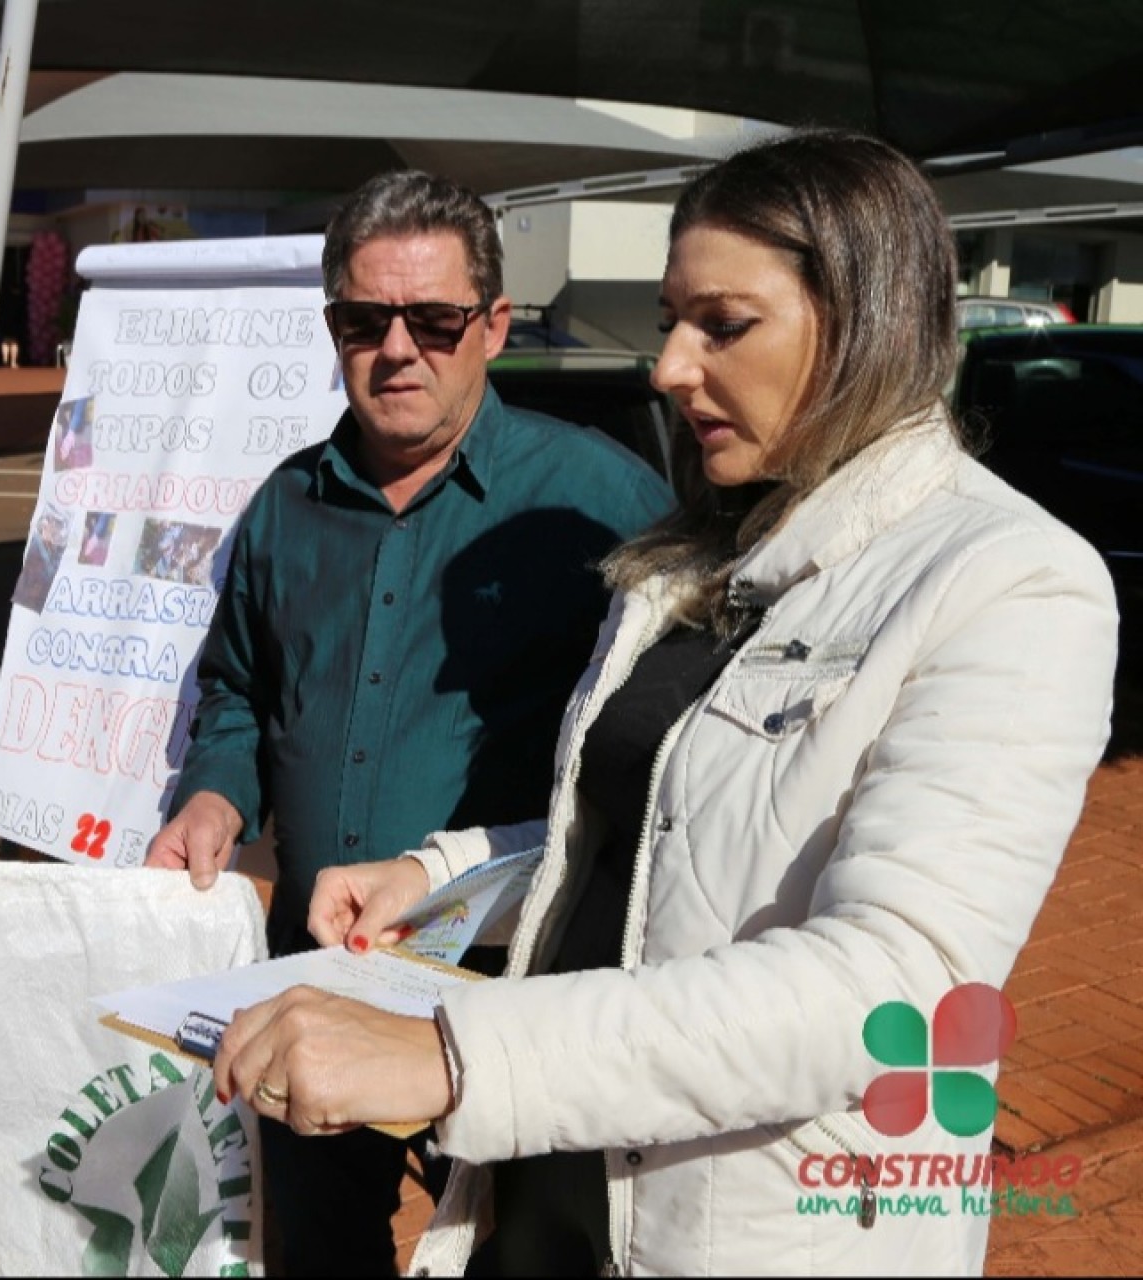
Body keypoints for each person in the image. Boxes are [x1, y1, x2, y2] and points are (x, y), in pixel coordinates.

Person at [211, 131, 1120, 1276]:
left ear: (866, 321)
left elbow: (891, 986)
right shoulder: (699, 555)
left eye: (723, 326)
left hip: (742, 1223)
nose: (669, 367)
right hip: (555, 1190)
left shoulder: (1009, 581)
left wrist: (451, 1057)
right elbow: (658, 829)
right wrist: (444, 879)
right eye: (671, 319)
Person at [145, 169, 674, 1275]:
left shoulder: (602, 503)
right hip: (312, 978)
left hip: (510, 998)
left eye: (433, 320)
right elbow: (237, 691)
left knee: (518, 1253)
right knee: (325, 1247)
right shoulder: (285, 506)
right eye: (363, 319)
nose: (398, 349)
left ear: (491, 325)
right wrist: (212, 791)